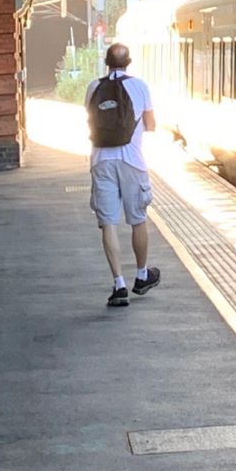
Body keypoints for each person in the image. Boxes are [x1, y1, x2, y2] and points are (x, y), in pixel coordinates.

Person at [86, 43, 162, 307]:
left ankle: (118, 284)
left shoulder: (94, 87)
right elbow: (151, 126)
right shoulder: (140, 87)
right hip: (132, 162)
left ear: (106, 63)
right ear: (129, 62)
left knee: (108, 223)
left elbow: (90, 119)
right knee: (138, 220)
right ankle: (142, 276)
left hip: (101, 160)